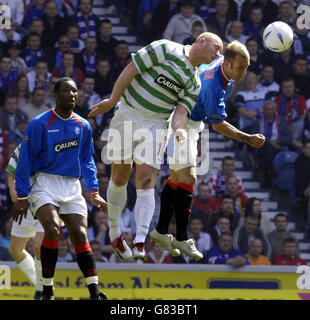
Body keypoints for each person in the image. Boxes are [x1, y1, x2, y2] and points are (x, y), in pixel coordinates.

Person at [89, 32, 223, 261]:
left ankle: (141, 239)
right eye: (216, 48)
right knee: (120, 177)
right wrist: (112, 100)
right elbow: (132, 69)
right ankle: (115, 233)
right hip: (128, 113)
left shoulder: (195, 82)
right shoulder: (165, 48)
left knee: (146, 180)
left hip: (156, 124)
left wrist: (179, 130)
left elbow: (180, 113)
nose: (217, 54)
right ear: (201, 41)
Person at [151, 41, 265, 260]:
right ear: (228, 63)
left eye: (247, 68)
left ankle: (161, 230)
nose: (244, 72)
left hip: (188, 121)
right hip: (182, 122)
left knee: (176, 179)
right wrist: (247, 138)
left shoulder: (222, 66)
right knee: (189, 179)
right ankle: (182, 237)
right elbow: (219, 125)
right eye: (241, 68)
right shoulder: (215, 85)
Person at [14, 77, 107, 300]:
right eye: (66, 90)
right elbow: (24, 160)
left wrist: (94, 191)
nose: (72, 95)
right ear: (55, 95)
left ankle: (95, 293)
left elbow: (87, 161)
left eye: (74, 91)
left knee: (79, 233)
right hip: (44, 183)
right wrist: (21, 195)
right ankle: (47, 291)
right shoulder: (39, 123)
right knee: (53, 229)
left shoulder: (83, 125)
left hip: (72, 186)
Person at [294, 140, 310, 234]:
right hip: (303, 190)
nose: (309, 150)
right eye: (307, 148)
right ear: (303, 149)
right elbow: (300, 180)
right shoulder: (299, 161)